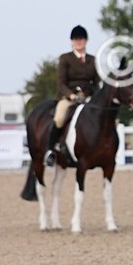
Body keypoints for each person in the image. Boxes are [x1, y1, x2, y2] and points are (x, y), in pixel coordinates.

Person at [45, 25, 98, 167]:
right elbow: (61, 83)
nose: (78, 42)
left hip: (87, 97)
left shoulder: (93, 60)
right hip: (68, 98)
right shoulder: (65, 58)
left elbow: (96, 82)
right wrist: (72, 96)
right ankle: (50, 150)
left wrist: (90, 95)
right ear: (72, 41)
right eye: (75, 39)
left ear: (86, 40)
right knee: (60, 117)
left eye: (81, 39)